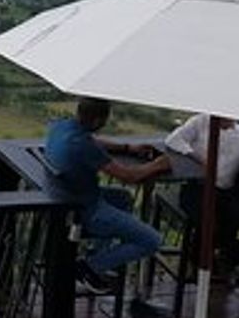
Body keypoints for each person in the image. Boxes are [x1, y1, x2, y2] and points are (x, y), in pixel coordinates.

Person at [45, 97, 170, 294]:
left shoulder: (62, 127)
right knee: (152, 240)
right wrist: (158, 164)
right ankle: (89, 267)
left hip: (68, 197)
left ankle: (97, 256)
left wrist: (127, 148)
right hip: (86, 211)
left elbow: (94, 140)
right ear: (98, 121)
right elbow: (128, 176)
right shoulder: (83, 147)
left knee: (124, 198)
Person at [165, 113, 239, 273]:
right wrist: (198, 158)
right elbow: (173, 140)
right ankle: (201, 262)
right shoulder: (201, 121)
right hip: (198, 187)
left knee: (232, 219)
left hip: (227, 191)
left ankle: (222, 262)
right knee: (209, 221)